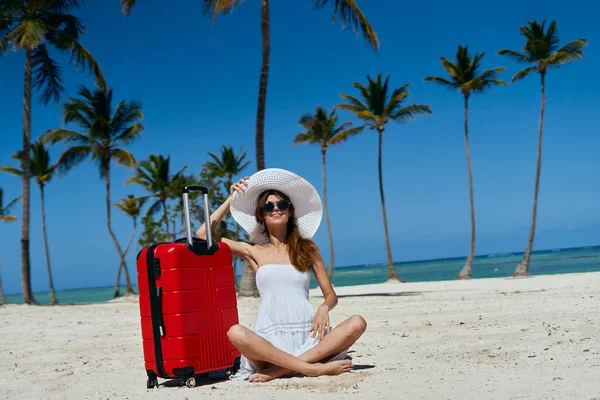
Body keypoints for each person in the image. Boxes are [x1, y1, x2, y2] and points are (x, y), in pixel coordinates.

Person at [195, 168, 367, 383]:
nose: (275, 209)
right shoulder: (253, 251)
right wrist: (232, 199)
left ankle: (280, 371)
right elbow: (203, 235)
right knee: (235, 333)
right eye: (268, 206)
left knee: (357, 322)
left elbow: (330, 296)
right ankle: (311, 369)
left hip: (310, 336)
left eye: (281, 205)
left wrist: (324, 308)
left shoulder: (307, 249)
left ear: (290, 211)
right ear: (261, 215)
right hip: (271, 342)